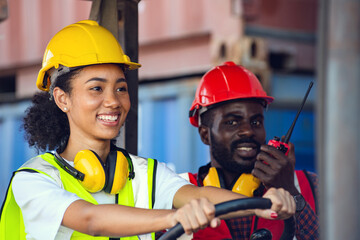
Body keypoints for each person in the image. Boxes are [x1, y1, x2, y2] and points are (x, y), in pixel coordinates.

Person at [0, 21, 295, 240]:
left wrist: (265, 205)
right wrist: (174, 217)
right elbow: (91, 220)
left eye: (121, 88)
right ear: (63, 98)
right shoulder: (34, 179)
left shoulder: (143, 173)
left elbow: (196, 195)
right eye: (96, 89)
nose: (113, 101)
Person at [182, 61, 319, 240]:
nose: (248, 131)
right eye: (232, 122)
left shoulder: (309, 185)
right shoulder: (177, 192)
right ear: (205, 134)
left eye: (256, 122)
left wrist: (290, 192)